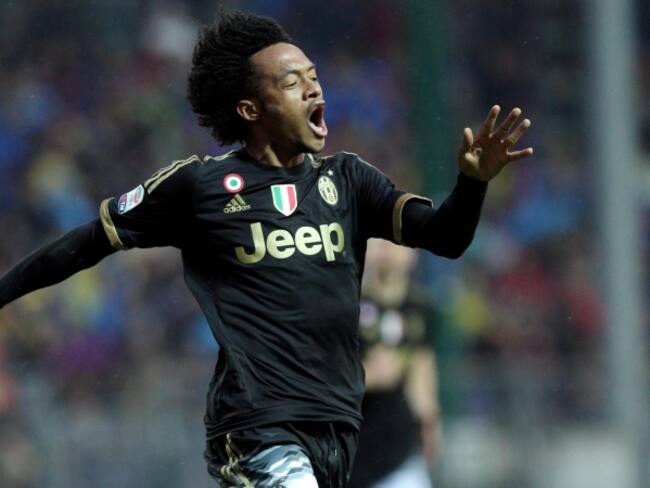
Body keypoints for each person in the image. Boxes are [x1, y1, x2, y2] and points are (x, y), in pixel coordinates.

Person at [0, 10, 533, 488]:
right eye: (292, 82)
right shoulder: (200, 187)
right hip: (257, 428)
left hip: (336, 428)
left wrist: (473, 184)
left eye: (314, 77)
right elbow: (89, 242)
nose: (313, 89)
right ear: (251, 109)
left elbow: (446, 238)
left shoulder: (350, 181)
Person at [349, 240, 440, 488]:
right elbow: (324, 375)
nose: (388, 250)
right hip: (351, 450)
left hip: (398, 456)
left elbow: (422, 365)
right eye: (380, 241)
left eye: (398, 243)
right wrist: (367, 376)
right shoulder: (346, 306)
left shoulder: (421, 308)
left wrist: (429, 420)